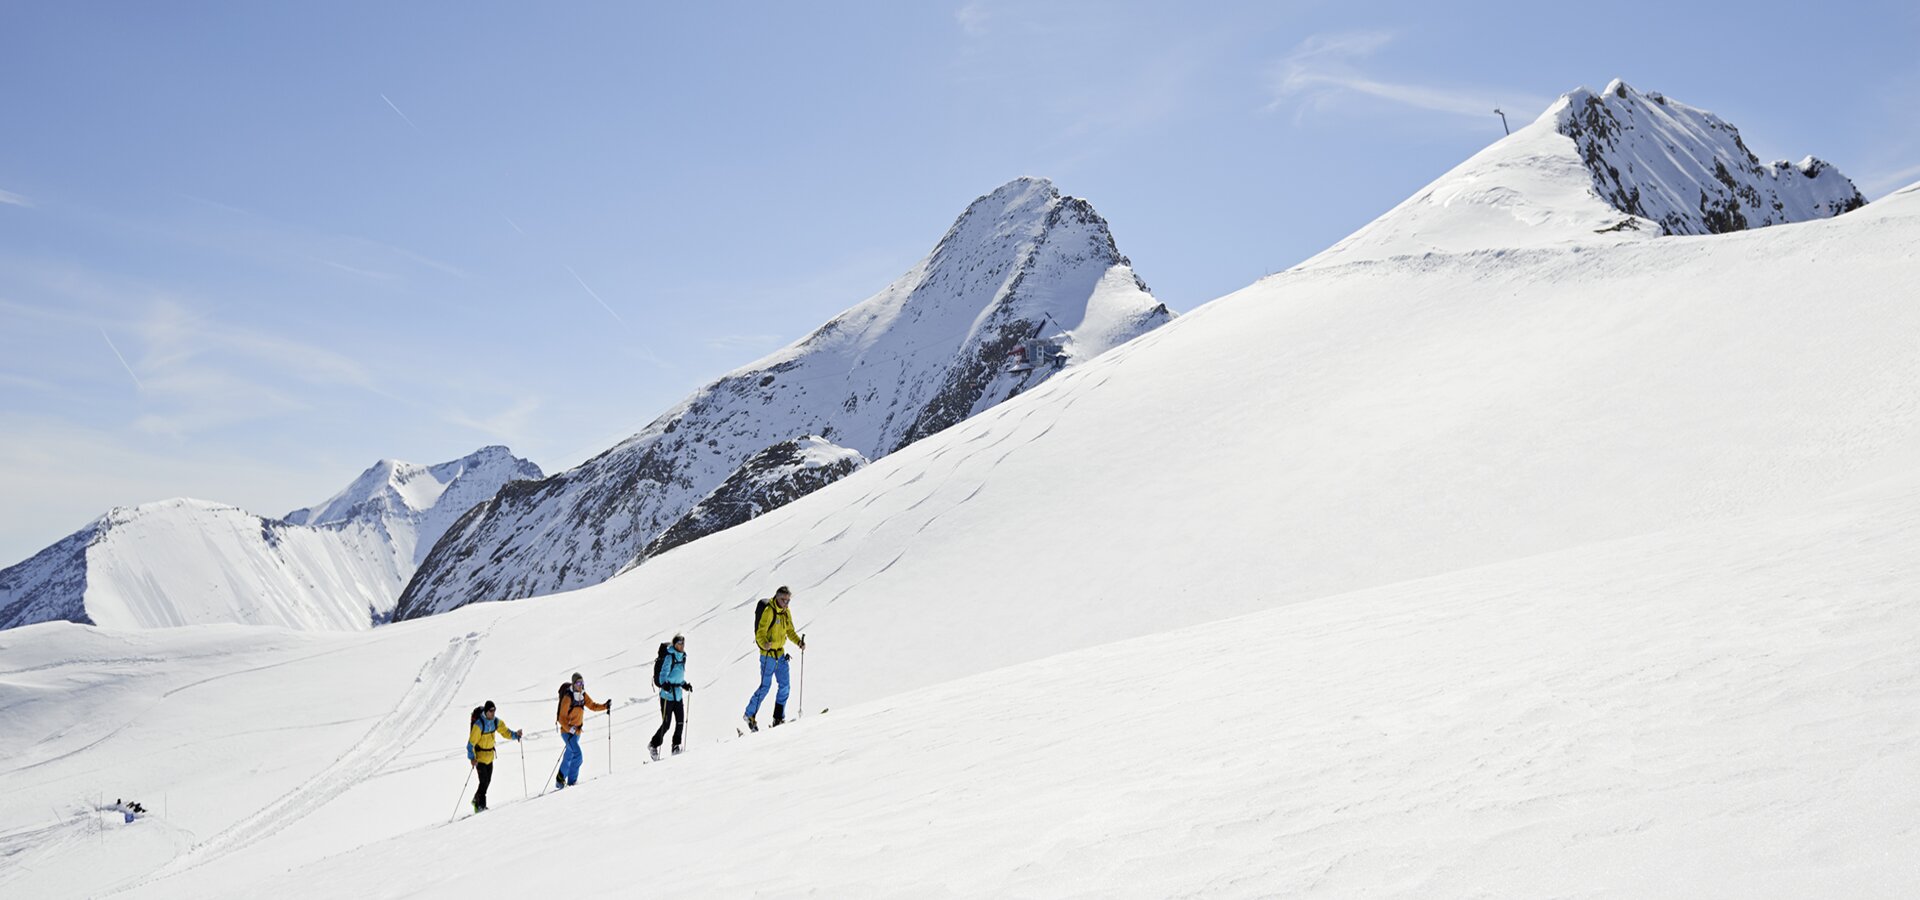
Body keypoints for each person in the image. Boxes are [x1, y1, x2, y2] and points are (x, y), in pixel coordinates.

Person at [744, 585, 805, 731]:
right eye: (784, 600)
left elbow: (789, 630)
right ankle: (749, 714)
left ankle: (778, 717)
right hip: (768, 656)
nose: (786, 603)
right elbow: (760, 632)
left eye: (788, 601)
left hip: (780, 654)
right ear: (777, 598)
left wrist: (798, 641)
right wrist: (764, 644)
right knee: (766, 686)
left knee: (785, 685)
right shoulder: (769, 611)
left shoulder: (786, 613)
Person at [554, 672, 609, 789]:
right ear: (574, 684)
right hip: (567, 733)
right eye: (578, 683)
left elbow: (593, 706)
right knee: (578, 755)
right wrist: (569, 728)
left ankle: (559, 781)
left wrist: (605, 706)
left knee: (569, 755)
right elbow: (561, 718)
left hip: (577, 733)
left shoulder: (583, 695)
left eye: (582, 683)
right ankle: (572, 783)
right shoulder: (568, 697)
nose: (581, 685)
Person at [467, 700, 523, 812]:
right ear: (486, 712)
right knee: (483, 782)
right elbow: (470, 744)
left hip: (490, 757)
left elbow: (505, 732)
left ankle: (476, 799)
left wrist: (515, 735)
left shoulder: (496, 722)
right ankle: (481, 806)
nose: (493, 713)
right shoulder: (479, 725)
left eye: (494, 710)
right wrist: (472, 758)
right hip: (480, 758)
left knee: (487, 781)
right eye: (491, 711)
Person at [650, 634, 691, 760]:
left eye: (683, 643)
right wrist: (665, 684)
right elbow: (663, 674)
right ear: (675, 644)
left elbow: (678, 675)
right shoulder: (669, 656)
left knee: (680, 721)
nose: (682, 646)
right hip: (667, 696)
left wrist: (685, 684)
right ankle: (653, 745)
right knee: (667, 724)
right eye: (680, 643)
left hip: (678, 694)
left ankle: (676, 746)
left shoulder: (683, 657)